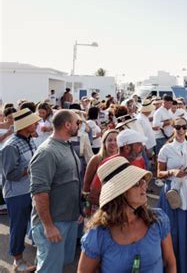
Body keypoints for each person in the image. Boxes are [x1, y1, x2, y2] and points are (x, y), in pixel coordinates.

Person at [78, 157, 176, 273]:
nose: (144, 185)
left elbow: (170, 263)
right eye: (136, 183)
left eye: (143, 180)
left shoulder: (158, 219)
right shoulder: (98, 235)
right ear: (120, 194)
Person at [29, 110, 83, 272]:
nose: (78, 126)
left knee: (58, 265)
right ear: (67, 125)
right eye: (76, 123)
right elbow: (39, 193)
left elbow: (71, 182)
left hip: (68, 219)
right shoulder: (47, 152)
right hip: (54, 223)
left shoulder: (66, 145)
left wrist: (77, 211)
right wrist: (48, 226)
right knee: (49, 269)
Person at [157, 117, 187, 273]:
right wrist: (172, 172)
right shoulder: (166, 149)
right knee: (173, 231)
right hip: (173, 193)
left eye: (184, 127)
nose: (181, 130)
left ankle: (186, 265)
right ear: (173, 128)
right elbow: (159, 173)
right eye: (178, 127)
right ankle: (171, 265)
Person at [1, 108, 40, 272]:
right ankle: (18, 261)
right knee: (18, 227)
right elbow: (9, 174)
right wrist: (30, 169)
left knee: (32, 224)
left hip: (29, 190)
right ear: (25, 125)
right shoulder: (10, 146)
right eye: (34, 121)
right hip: (16, 194)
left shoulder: (29, 139)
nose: (37, 123)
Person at [82, 129, 119, 214]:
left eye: (116, 140)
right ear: (104, 142)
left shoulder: (122, 160)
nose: (113, 142)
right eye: (109, 140)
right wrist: (86, 207)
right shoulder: (96, 159)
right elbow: (86, 186)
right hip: (97, 205)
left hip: (115, 206)